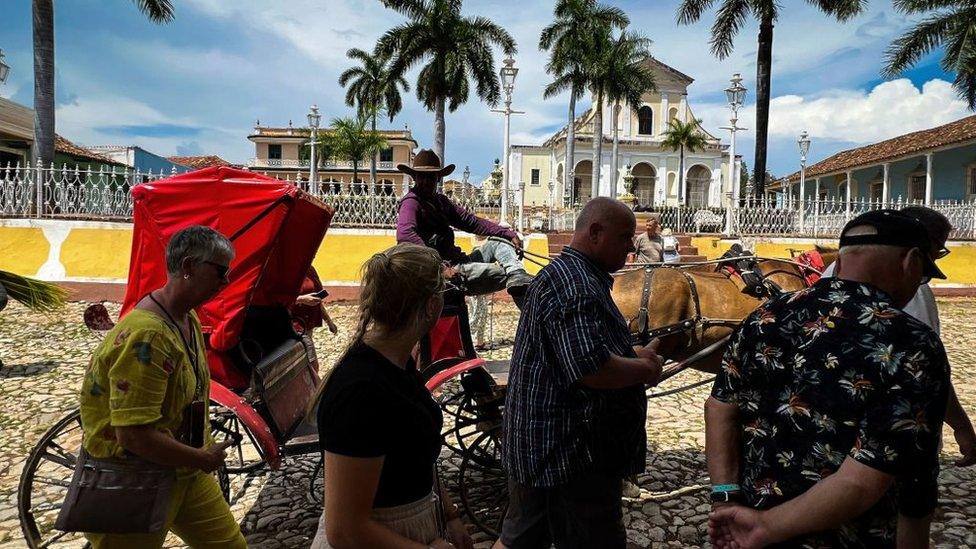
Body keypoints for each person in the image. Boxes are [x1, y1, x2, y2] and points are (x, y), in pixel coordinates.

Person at [705, 209, 951, 548]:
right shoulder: (911, 341)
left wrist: (725, 496)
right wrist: (764, 527)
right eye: (923, 274)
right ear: (911, 262)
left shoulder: (764, 316)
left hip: (748, 523)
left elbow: (719, 408)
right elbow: (867, 477)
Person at [498, 197, 664, 549]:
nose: (628, 250)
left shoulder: (570, 276)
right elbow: (591, 369)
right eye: (623, 239)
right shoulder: (575, 286)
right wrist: (643, 369)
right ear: (595, 233)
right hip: (569, 454)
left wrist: (629, 355)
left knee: (522, 536)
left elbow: (578, 350)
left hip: (546, 445)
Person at [79, 225, 246, 548]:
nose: (226, 281)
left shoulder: (186, 318)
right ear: (187, 267)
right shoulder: (148, 336)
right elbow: (133, 434)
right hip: (136, 481)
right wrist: (202, 459)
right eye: (220, 272)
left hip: (185, 472)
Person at [311, 243, 472, 549]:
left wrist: (449, 515)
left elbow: (418, 453)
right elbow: (345, 530)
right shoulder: (360, 390)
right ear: (429, 307)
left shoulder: (398, 362)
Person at [820, 206, 976, 467]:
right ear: (917, 255)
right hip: (883, 458)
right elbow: (926, 373)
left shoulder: (773, 315)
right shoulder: (912, 296)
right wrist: (962, 427)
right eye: (938, 253)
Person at [396, 149, 533, 303]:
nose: (426, 181)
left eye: (431, 176)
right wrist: (440, 267)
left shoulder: (441, 202)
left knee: (500, 243)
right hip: (445, 272)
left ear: (438, 178)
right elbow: (405, 234)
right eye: (422, 176)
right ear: (415, 177)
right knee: (507, 275)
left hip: (459, 262)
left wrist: (508, 233)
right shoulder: (411, 203)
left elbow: (472, 222)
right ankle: (520, 282)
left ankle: (517, 274)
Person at [291, 265, 339, 336]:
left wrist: (329, 321)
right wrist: (300, 299)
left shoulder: (310, 269)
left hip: (307, 325)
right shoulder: (285, 271)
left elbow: (316, 299)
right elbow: (274, 300)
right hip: (290, 326)